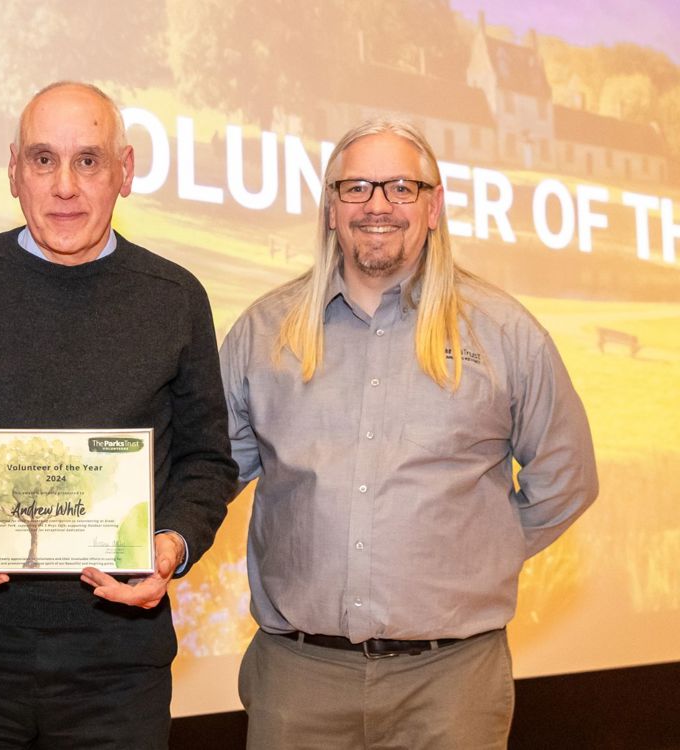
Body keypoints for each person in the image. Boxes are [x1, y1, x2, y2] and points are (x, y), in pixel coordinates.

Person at [0, 81, 238, 749]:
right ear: (14, 170)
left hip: (118, 670)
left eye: (88, 160)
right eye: (43, 160)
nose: (64, 185)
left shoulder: (175, 298)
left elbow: (206, 459)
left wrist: (173, 544)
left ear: (124, 172)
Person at [220, 118, 599, 749]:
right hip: (298, 681)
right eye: (356, 188)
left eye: (401, 187)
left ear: (434, 206)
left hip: (451, 686)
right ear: (330, 208)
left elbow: (567, 479)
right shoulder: (264, 334)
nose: (377, 206)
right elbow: (212, 473)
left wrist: (478, 553)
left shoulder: (504, 333)